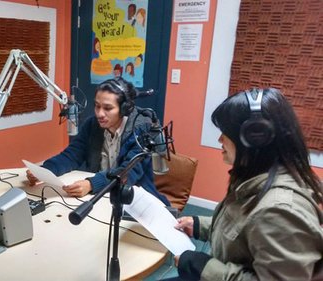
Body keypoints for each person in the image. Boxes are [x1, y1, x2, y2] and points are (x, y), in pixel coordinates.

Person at [170, 88, 323, 280]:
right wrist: (201, 226)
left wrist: (202, 267)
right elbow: (246, 229)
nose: (220, 139)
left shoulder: (279, 211)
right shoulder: (256, 179)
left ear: (255, 138)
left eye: (225, 133)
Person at [26, 77, 170, 206]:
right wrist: (47, 170)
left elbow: (127, 173)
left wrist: (91, 184)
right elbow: (72, 155)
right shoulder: (92, 125)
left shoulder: (142, 129)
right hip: (99, 197)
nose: (100, 113)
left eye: (108, 108)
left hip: (133, 199)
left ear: (124, 109)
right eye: (97, 106)